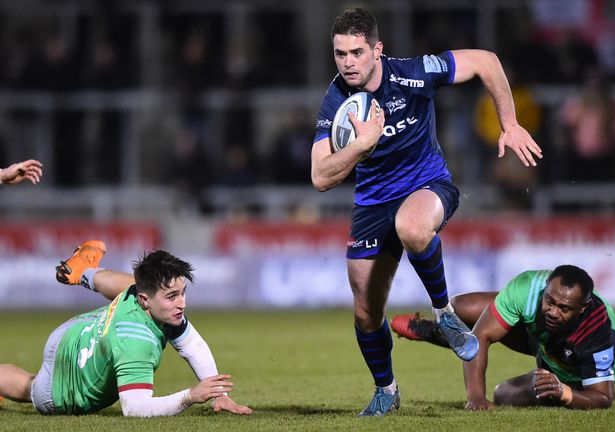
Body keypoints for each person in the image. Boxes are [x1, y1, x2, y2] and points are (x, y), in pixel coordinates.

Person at [310, 8, 542, 416]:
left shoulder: (415, 73)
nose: (348, 62)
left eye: (357, 52)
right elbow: (320, 175)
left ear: (377, 50)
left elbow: (486, 61)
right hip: (371, 203)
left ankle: (444, 314)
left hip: (427, 186)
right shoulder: (337, 101)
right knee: (366, 312)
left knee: (412, 226)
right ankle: (387, 390)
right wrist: (361, 146)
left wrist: (509, 122)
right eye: (340, 53)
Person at [0, 240, 252, 417]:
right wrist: (191, 395)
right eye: (173, 296)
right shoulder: (135, 340)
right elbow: (135, 409)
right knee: (29, 385)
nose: (182, 303)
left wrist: (219, 393)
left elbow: (191, 344)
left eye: (183, 293)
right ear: (144, 302)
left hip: (77, 331)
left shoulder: (150, 301)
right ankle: (86, 272)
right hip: (63, 388)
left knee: (133, 286)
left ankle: (83, 271)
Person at [391, 265, 615, 411]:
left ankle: (608, 371)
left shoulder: (598, 327)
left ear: (582, 308)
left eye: (564, 308)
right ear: (545, 288)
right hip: (539, 338)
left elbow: (602, 397)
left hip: (568, 364)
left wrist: (564, 392)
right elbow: (480, 335)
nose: (553, 311)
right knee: (460, 307)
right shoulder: (528, 288)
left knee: (503, 394)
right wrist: (476, 398)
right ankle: (434, 330)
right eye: (550, 301)